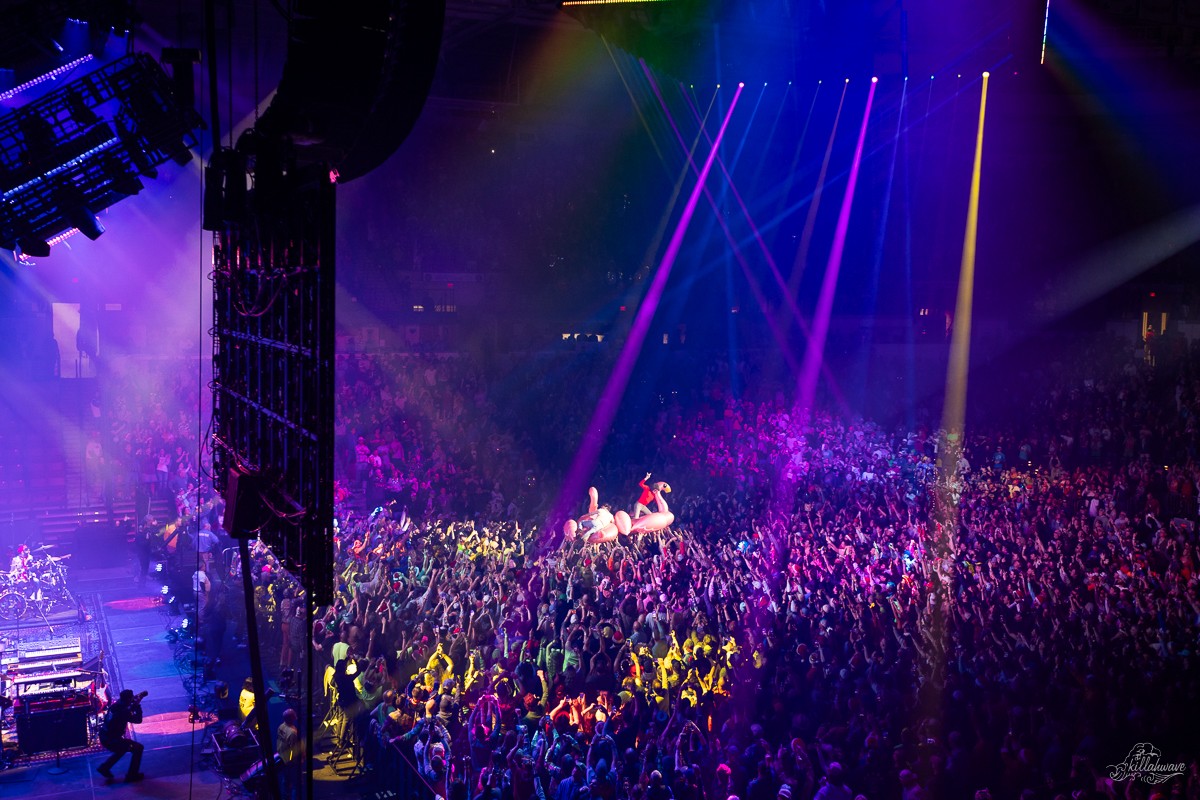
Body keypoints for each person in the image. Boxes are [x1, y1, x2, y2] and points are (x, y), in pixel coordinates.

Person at [97, 689, 145, 782]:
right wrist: (137, 706)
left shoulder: (116, 705)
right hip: (112, 740)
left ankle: (104, 767)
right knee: (138, 748)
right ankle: (132, 775)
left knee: (122, 749)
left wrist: (133, 704)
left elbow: (126, 710)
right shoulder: (123, 712)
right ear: (129, 699)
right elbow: (138, 720)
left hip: (105, 736)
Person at [277, 707, 302, 800]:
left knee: (285, 780)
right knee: (295, 784)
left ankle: (284, 797)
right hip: (290, 762)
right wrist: (292, 761)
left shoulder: (281, 727)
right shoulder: (292, 733)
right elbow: (293, 750)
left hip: (282, 757)